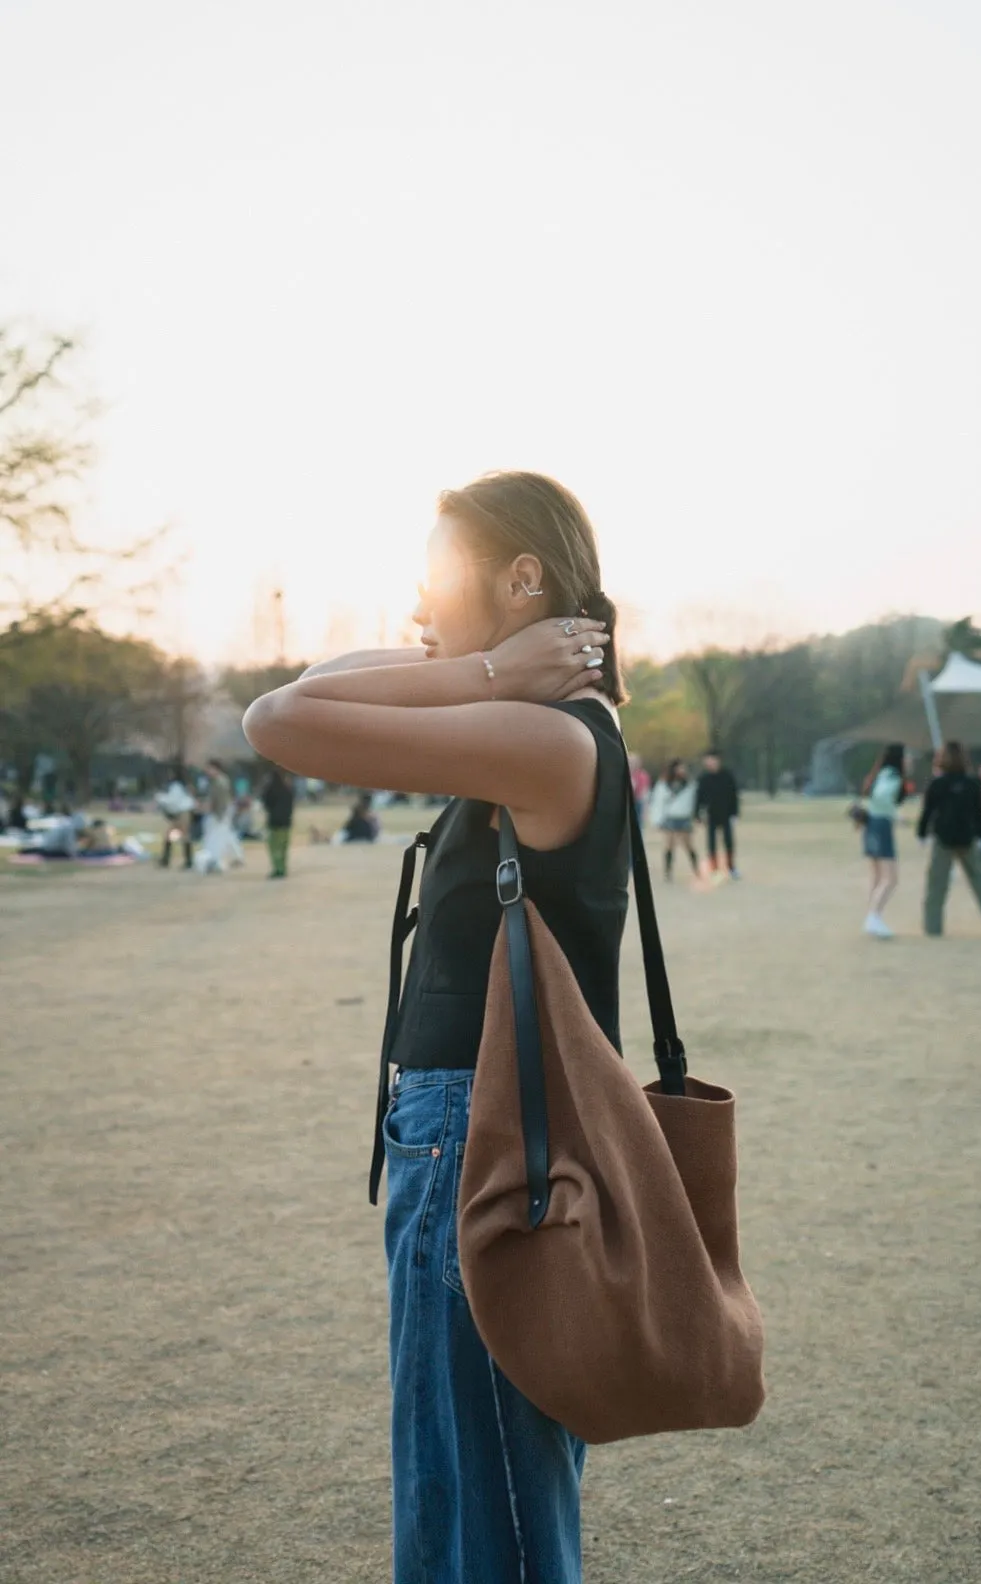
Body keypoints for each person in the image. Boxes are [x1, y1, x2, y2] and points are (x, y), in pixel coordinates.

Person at [243, 470, 626, 1584]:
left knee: (481, 1499)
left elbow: (280, 720)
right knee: (479, 1474)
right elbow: (316, 685)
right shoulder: (532, 715)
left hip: (479, 1129)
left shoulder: (550, 741)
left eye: (435, 573)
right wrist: (481, 659)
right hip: (489, 1124)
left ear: (520, 575)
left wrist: (488, 669)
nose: (415, 601)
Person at [918, 741, 981, 937]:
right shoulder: (973, 783)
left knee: (937, 885)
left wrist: (922, 834)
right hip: (967, 838)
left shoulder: (937, 784)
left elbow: (928, 811)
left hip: (943, 838)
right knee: (980, 882)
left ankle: (933, 927)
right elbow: (978, 812)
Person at [861, 742, 907, 938]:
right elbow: (882, 797)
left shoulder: (880, 773)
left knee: (878, 877)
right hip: (881, 825)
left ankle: (872, 917)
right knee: (891, 879)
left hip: (871, 824)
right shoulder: (892, 776)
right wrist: (897, 815)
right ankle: (873, 917)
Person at [648, 757, 699, 882]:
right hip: (671, 817)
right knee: (669, 845)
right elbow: (658, 801)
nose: (682, 770)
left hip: (684, 817)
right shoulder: (664, 784)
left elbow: (694, 800)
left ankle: (696, 869)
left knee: (688, 845)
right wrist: (657, 819)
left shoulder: (689, 783)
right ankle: (668, 872)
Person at [694, 747, 741, 879]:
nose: (709, 763)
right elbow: (699, 798)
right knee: (711, 843)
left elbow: (734, 795)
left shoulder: (727, 775)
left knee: (728, 842)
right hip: (711, 815)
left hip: (726, 814)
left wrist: (735, 813)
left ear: (718, 761)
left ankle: (731, 867)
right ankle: (714, 868)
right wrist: (697, 814)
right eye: (707, 761)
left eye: (712, 760)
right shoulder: (704, 778)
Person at [156, 768, 197, 870]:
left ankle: (188, 861)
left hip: (183, 813)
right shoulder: (178, 786)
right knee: (170, 835)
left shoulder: (176, 786)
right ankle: (166, 859)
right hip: (180, 813)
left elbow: (172, 801)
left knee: (184, 836)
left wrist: (160, 798)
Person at [260, 767, 295, 878]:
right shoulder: (288, 790)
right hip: (286, 823)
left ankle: (278, 869)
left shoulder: (270, 789)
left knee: (274, 847)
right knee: (284, 847)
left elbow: (265, 802)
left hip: (274, 823)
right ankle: (283, 868)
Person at [628, 751, 651, 828]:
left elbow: (645, 794)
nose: (632, 764)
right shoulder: (623, 774)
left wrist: (645, 810)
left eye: (634, 762)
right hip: (626, 802)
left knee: (638, 826)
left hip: (638, 803)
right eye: (630, 761)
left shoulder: (643, 775)